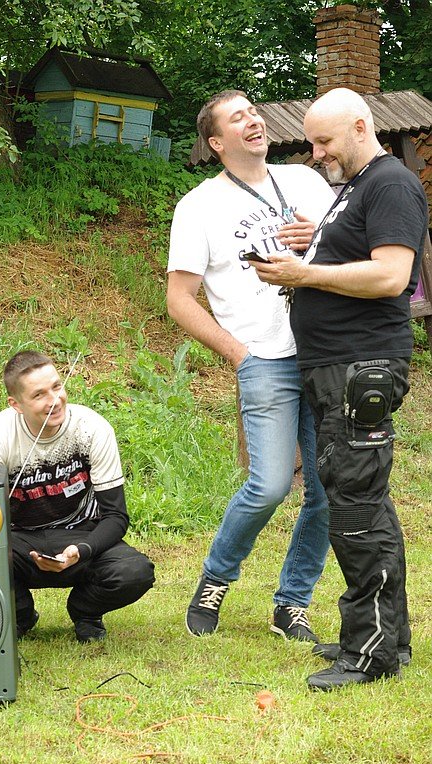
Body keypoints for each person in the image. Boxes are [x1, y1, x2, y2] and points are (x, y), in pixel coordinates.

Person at [254, 87, 428, 690]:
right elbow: (357, 253)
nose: (317, 153)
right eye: (312, 142)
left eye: (324, 141)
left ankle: (369, 652)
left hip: (360, 367)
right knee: (365, 502)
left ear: (360, 126)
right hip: (339, 367)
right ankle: (388, 638)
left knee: (354, 510)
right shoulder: (354, 188)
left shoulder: (391, 183)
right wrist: (317, 241)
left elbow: (391, 275)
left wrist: (304, 273)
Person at [167, 89, 337, 642]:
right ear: (216, 142)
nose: (254, 120)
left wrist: (319, 236)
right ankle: (214, 581)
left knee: (328, 488)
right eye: (238, 117)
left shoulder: (306, 181)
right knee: (268, 485)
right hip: (264, 359)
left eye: (254, 111)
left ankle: (293, 604)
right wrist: (239, 353)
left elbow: (349, 248)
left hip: (324, 352)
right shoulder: (199, 206)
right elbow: (179, 300)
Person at [0, 350, 155, 641]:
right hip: (19, 541)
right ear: (16, 404)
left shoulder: (92, 428)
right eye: (39, 395)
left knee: (135, 572)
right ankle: (20, 615)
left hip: (81, 533)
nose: (54, 400)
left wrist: (82, 550)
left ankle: (85, 611)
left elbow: (116, 516)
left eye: (57, 387)